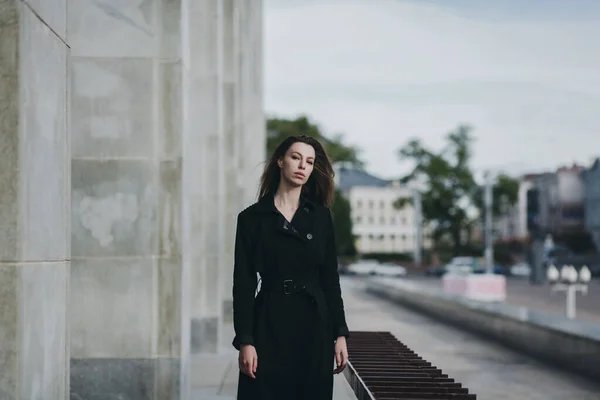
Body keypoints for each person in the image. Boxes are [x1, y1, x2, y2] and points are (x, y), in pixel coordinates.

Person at [232, 135, 350, 399]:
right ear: (280, 161)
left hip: (314, 327)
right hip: (269, 325)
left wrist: (340, 333)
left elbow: (330, 279)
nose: (302, 166)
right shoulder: (251, 219)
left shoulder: (320, 217)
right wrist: (245, 340)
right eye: (296, 158)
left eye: (309, 162)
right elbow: (243, 283)